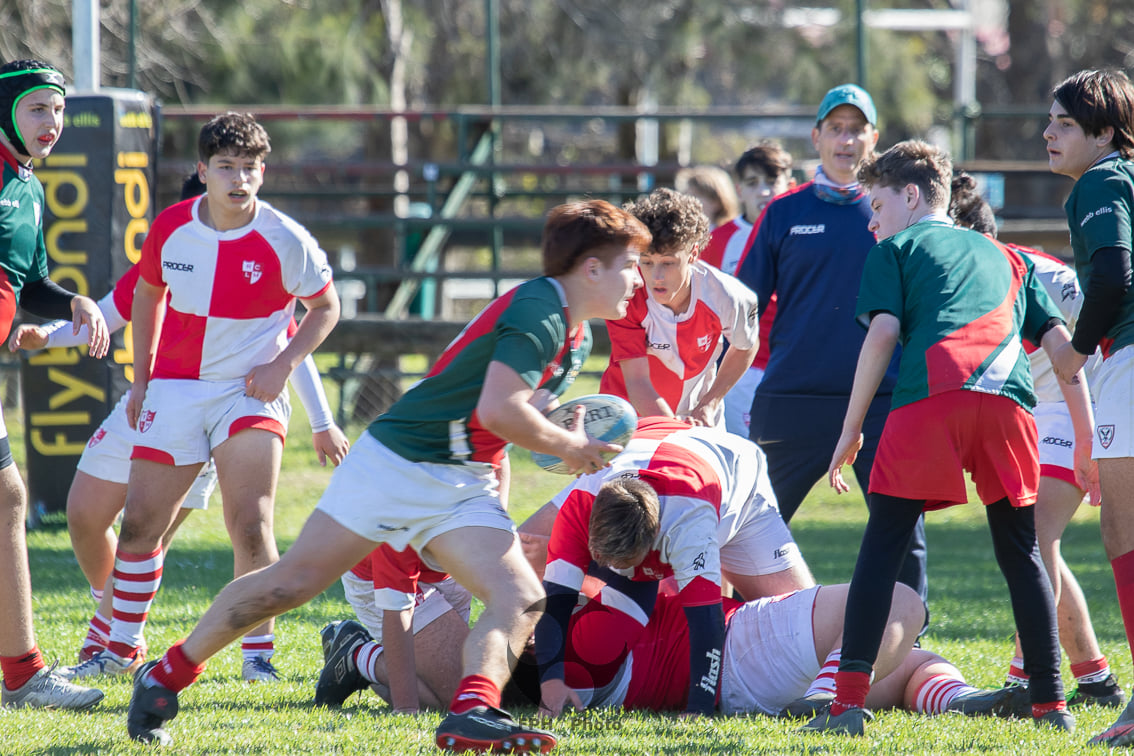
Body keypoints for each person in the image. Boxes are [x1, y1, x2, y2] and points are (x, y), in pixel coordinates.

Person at [124, 198, 650, 753]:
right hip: (400, 458)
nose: (637, 279)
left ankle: (473, 713)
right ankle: (166, 675)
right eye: (631, 264)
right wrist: (571, 445)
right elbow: (500, 410)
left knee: (520, 597)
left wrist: (552, 448)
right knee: (292, 583)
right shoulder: (541, 311)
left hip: (460, 476)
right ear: (592, 268)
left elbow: (509, 417)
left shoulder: (577, 336)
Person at [812, 139, 1097, 736]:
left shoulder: (897, 248)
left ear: (911, 195)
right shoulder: (1011, 257)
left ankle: (845, 709)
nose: (872, 219)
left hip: (931, 400)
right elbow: (1060, 350)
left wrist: (850, 429)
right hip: (1010, 407)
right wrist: (1088, 439)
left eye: (878, 204)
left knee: (882, 550)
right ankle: (1051, 705)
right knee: (1021, 553)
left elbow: (883, 333)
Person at [9, 261, 351, 678]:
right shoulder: (164, 254)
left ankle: (243, 654)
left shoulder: (251, 256)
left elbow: (291, 338)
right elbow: (108, 313)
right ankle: (117, 617)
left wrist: (321, 421)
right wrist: (46, 337)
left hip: (218, 407)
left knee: (222, 526)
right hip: (149, 397)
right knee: (84, 514)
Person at [735, 84, 928, 607]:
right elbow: (741, 303)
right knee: (748, 526)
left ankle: (909, 649)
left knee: (903, 534)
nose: (846, 140)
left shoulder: (901, 212)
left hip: (885, 400)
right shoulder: (782, 212)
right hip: (793, 400)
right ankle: (732, 638)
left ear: (874, 138)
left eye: (856, 129)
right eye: (835, 129)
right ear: (817, 136)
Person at [948, 171, 1124, 708]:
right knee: (1036, 539)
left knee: (1034, 532)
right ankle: (1095, 680)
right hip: (1033, 405)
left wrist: (1090, 435)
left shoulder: (1031, 273)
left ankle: (1028, 680)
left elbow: (1089, 337)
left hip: (1083, 394)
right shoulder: (945, 279)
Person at [530, 416, 814, 719]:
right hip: (654, 441)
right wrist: (551, 683)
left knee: (801, 625)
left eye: (627, 563)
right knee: (526, 551)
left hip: (735, 478)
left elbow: (706, 620)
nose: (616, 570)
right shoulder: (579, 504)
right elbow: (556, 602)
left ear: (656, 539)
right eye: (607, 561)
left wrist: (699, 707)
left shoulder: (689, 523)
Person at [523, 578, 1028, 725]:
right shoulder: (588, 637)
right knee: (897, 600)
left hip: (741, 682)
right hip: (744, 646)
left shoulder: (579, 663)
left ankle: (960, 699)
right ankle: (829, 695)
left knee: (906, 663)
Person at [0, 59, 108, 710]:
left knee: (8, 500)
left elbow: (27, 281)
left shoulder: (28, 187)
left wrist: (74, 303)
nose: (53, 123)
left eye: (59, 110)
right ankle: (21, 672)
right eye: (38, 108)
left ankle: (21, 672)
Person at [1043, 68, 1134, 748]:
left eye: (1066, 123)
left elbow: (1111, 275)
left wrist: (1073, 352)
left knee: (1123, 538)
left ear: (1105, 132)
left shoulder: (1102, 181)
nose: (1049, 133)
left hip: (1128, 361)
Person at [599, 188, 760, 428]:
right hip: (626, 420)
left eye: (668, 263)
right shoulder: (626, 296)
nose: (657, 276)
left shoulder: (729, 296)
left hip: (699, 419)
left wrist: (709, 403)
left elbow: (746, 345)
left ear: (693, 254)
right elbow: (638, 381)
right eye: (646, 262)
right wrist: (674, 430)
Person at [700, 141, 794, 437]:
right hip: (737, 367)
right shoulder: (717, 241)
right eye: (753, 183)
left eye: (771, 182)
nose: (763, 191)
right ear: (739, 189)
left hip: (791, 364)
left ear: (790, 185)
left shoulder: (804, 235)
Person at [313, 543, 473, 713]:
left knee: (485, 692)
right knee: (466, 697)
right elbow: (397, 606)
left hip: (450, 567)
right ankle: (356, 654)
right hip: (389, 568)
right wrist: (406, 707)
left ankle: (381, 664)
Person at [674, 165, 739, 230]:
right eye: (686, 195)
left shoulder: (732, 235)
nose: (688, 202)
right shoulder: (680, 234)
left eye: (695, 196)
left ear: (717, 202)